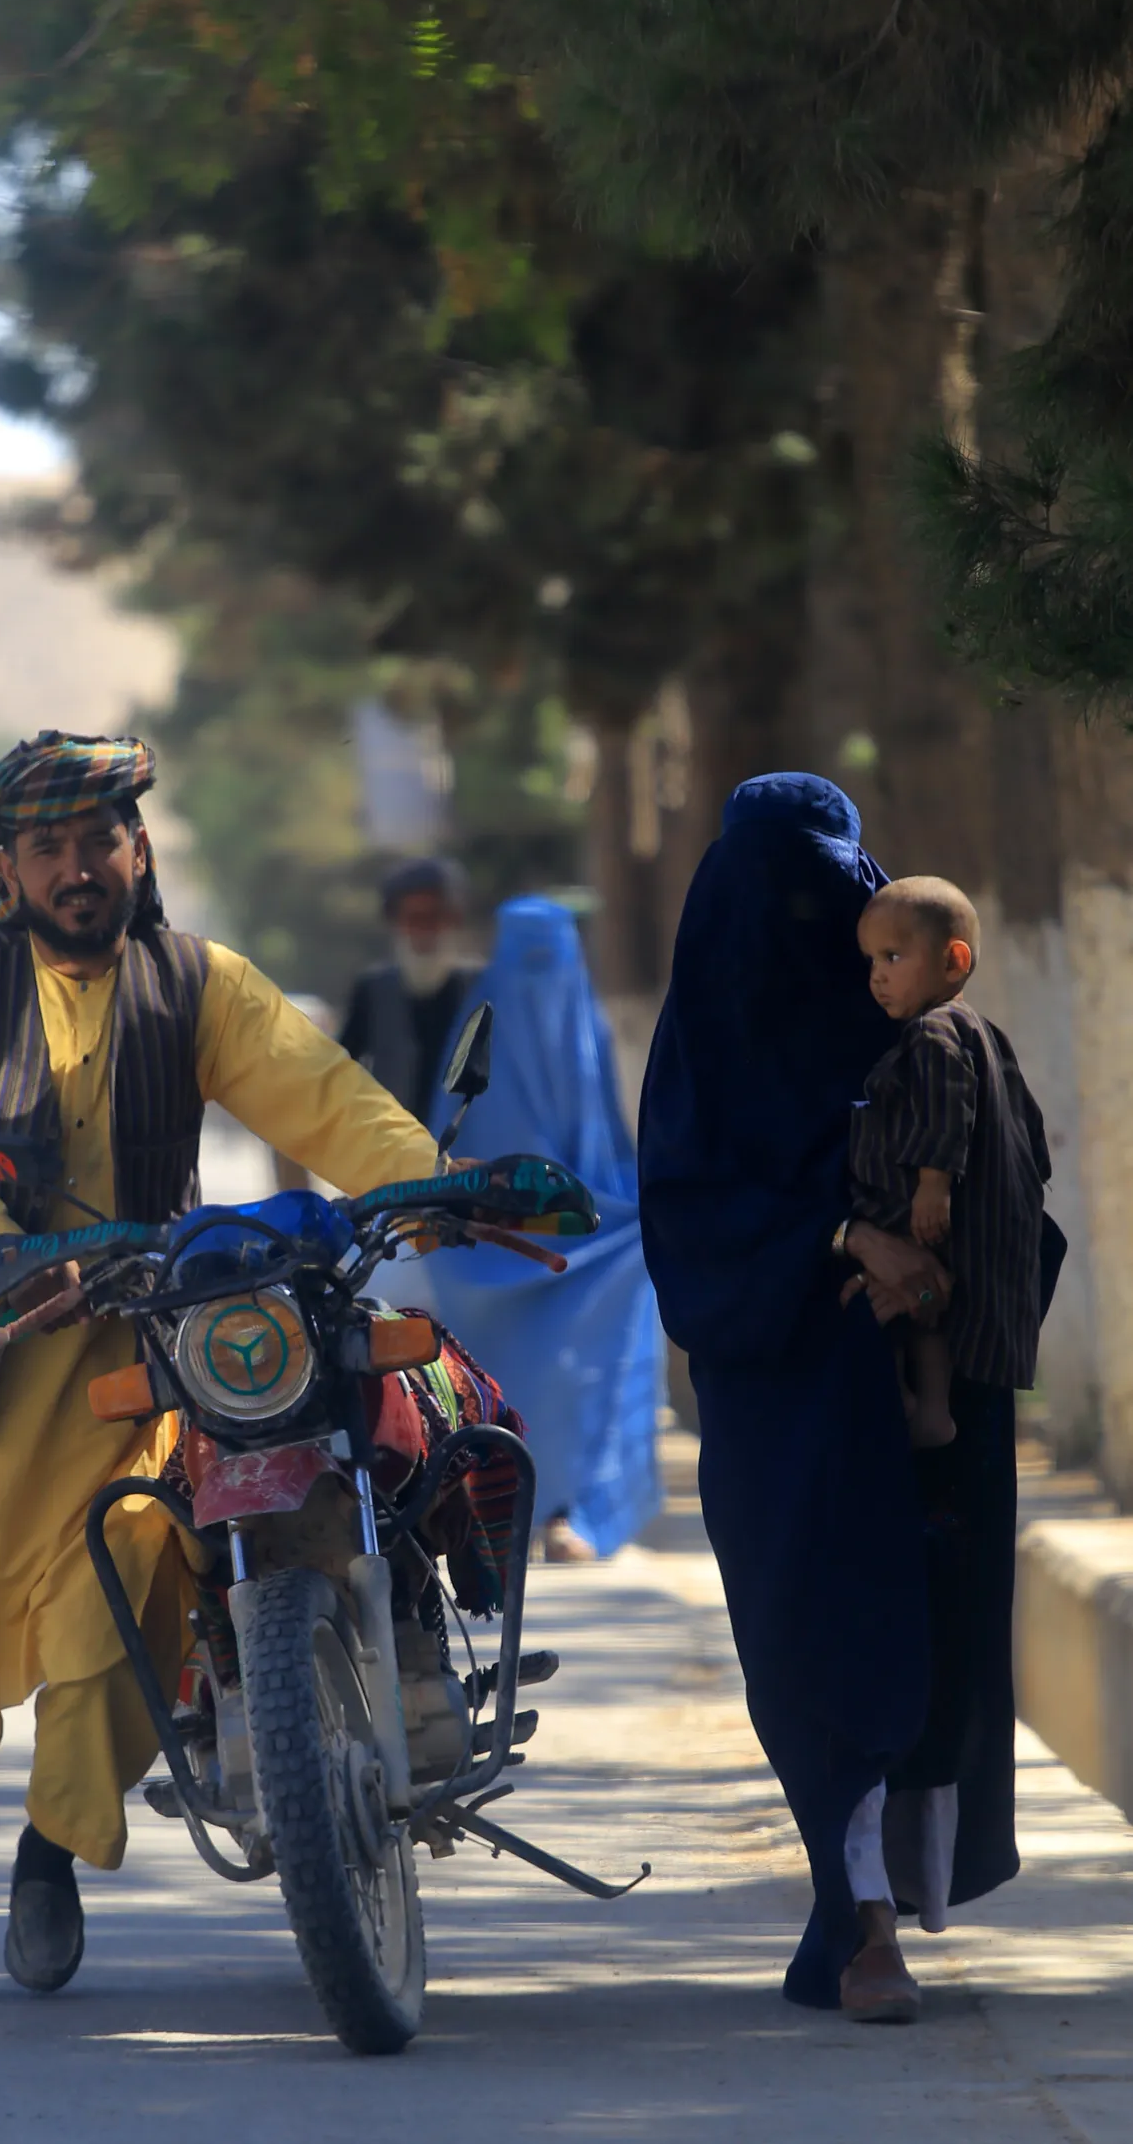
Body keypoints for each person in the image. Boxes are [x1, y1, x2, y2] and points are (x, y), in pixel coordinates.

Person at [0, 730, 441, 2006]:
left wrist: (427, 1185)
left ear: (140, 849)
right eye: (47, 850)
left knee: (120, 1610)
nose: (76, 869)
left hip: (132, 1368)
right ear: (8, 873)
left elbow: (318, 1091)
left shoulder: (197, 983)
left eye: (97, 842)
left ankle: (48, 1856)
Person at [638, 774, 1062, 2024]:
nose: (811, 939)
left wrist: (939, 1265)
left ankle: (877, 1909)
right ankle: (857, 1915)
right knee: (817, 1644)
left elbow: (1015, 1172)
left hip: (932, 1401)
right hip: (788, 1408)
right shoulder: (704, 1048)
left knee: (924, 1649)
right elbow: (688, 1222)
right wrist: (838, 1240)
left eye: (830, 907)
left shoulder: (917, 1018)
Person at [377, 897, 663, 1564]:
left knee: (590, 1373)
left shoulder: (582, 1018)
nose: (541, 978)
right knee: (497, 1379)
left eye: (551, 959)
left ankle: (578, 1510)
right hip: (493, 1242)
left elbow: (606, 1137)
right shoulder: (480, 1026)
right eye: (526, 959)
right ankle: (495, 1505)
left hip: (585, 1238)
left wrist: (625, 1206)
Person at [851, 877, 1051, 1450]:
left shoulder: (932, 1032)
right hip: (979, 1226)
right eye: (870, 960)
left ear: (953, 959)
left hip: (931, 1216)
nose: (877, 975)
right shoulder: (982, 1032)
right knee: (927, 1319)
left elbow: (945, 1110)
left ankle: (916, 1403)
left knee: (895, 1303)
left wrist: (933, 1185)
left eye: (893, 956)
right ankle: (932, 1408)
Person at [339, 857, 474, 1128]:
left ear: (452, 920)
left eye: (434, 917)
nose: (424, 930)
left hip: (469, 1154)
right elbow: (341, 1070)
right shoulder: (373, 991)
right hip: (397, 1154)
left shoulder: (479, 989)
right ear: (396, 923)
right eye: (413, 918)